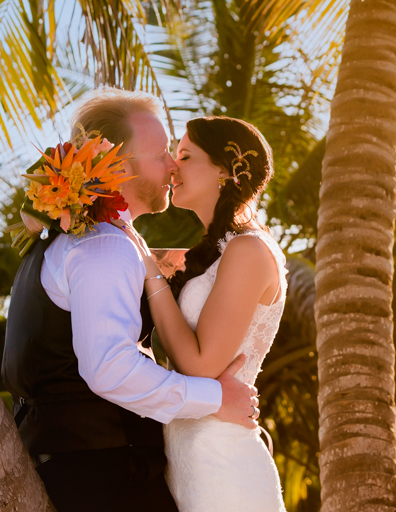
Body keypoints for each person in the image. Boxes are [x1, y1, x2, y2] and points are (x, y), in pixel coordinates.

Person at [2, 90, 261, 512]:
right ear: (121, 165)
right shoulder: (104, 245)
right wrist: (216, 399)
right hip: (107, 478)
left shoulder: (78, 240)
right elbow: (108, 368)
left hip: (78, 466)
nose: (173, 165)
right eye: (161, 153)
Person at [120, 116, 289, 512]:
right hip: (188, 458)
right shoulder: (216, 254)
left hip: (224, 469)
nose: (173, 165)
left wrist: (149, 271)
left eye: (185, 155)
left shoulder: (249, 251)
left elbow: (199, 365)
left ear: (224, 171)